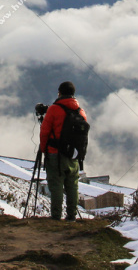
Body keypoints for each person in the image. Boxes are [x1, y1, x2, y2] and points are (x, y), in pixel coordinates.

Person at [39, 81, 87, 222]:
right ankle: (71, 216)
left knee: (56, 185)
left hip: (55, 155)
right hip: (74, 156)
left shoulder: (54, 110)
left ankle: (56, 216)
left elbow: (44, 132)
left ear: (59, 93)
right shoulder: (81, 111)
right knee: (72, 185)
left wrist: (44, 150)